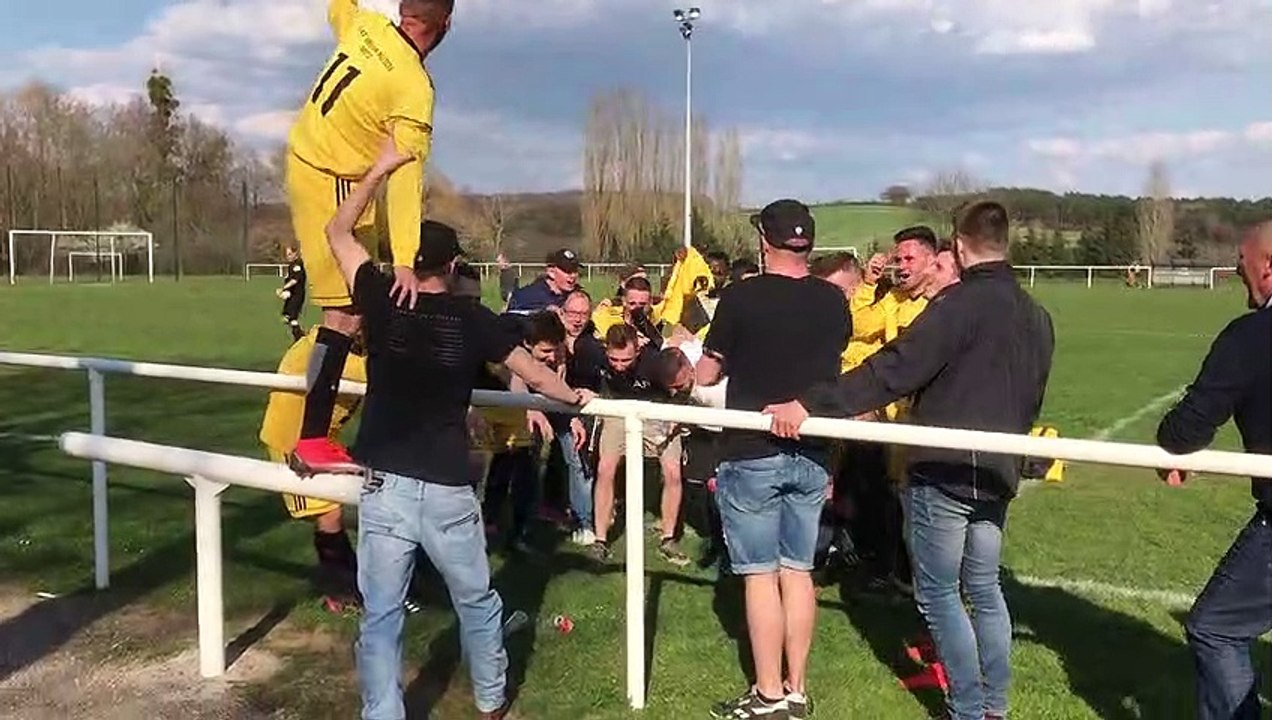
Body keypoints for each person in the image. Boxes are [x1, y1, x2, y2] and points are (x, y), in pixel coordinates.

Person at [323, 139, 592, 720]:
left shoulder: (379, 296)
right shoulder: (474, 319)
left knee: (382, 613)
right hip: (445, 485)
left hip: (386, 485)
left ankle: (383, 713)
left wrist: (379, 170)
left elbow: (337, 232)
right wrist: (576, 396)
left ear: (407, 262)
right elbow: (536, 375)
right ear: (451, 267)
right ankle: (492, 699)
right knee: (475, 598)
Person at [765, 201, 1055, 720]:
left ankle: (968, 709)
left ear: (959, 248)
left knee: (940, 593)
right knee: (985, 591)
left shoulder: (957, 305)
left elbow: (892, 370)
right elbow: (1031, 397)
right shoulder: (1038, 316)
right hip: (999, 471)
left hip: (944, 472)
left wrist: (811, 402)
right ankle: (995, 707)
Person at [696, 199, 851, 720]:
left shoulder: (741, 296)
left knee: (760, 575)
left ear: (765, 240)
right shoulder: (835, 301)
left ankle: (768, 694)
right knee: (798, 571)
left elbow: (705, 375)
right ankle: (797, 688)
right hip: (811, 451)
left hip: (751, 451)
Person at [285, 0, 453, 475]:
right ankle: (314, 439)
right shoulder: (414, 87)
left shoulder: (368, 25)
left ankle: (354, 426)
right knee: (346, 313)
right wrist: (405, 259)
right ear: (445, 26)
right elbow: (404, 178)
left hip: (304, 158)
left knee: (362, 306)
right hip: (333, 180)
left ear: (402, 9)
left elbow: (340, 6)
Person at [1156, 222, 1272, 720]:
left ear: (1266, 266)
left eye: (1241, 260)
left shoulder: (1253, 335)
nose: (1235, 269)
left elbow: (1185, 428)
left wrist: (1179, 451)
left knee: (1216, 626)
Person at [259, 326, 365, 610]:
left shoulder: (332, 343)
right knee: (329, 514)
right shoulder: (330, 349)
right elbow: (378, 376)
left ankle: (350, 583)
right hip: (290, 442)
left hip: (322, 440)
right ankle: (339, 589)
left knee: (340, 507)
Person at [590, 323, 689, 567]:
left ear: (638, 349)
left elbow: (684, 384)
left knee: (673, 472)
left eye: (626, 360)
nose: (620, 366)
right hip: (618, 412)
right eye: (614, 359)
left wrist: (677, 415)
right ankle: (600, 540)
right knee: (605, 469)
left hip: (656, 413)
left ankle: (668, 538)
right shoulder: (594, 355)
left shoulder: (655, 363)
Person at [480, 311, 571, 554]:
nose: (551, 357)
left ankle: (518, 533)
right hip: (486, 406)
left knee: (525, 472)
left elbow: (551, 376)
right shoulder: (508, 342)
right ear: (527, 344)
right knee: (486, 470)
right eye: (545, 352)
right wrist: (532, 407)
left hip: (513, 411)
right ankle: (484, 522)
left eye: (555, 351)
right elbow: (517, 377)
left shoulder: (549, 341)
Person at [505, 249, 581, 313]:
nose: (573, 275)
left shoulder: (578, 296)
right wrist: (543, 312)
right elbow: (511, 321)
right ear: (551, 272)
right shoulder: (525, 296)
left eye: (575, 270)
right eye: (568, 271)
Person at [276, 247, 307, 341]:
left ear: (295, 254)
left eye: (289, 254)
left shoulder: (298, 265)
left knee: (291, 317)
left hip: (297, 295)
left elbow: (294, 280)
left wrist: (283, 289)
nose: (287, 257)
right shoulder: (291, 265)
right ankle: (298, 336)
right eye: (286, 254)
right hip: (292, 295)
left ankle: (299, 337)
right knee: (288, 317)